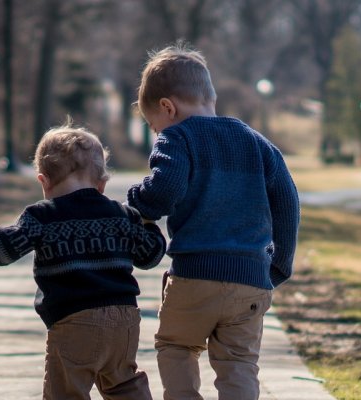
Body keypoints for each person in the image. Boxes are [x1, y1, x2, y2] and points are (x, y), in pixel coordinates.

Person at [0, 125, 165, 400]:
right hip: (124, 320)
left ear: (43, 181)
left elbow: (4, 248)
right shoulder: (121, 215)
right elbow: (150, 256)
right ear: (101, 184)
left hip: (75, 322)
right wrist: (149, 222)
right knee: (124, 385)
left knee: (66, 392)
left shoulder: (42, 216)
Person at [128, 43, 299, 400]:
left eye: (152, 126)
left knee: (176, 347)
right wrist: (279, 262)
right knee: (239, 362)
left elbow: (165, 190)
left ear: (167, 108)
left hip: (195, 275)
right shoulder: (257, 142)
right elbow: (287, 200)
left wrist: (137, 201)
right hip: (251, 279)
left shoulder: (178, 137)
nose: (156, 133)